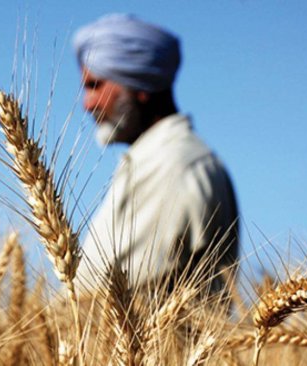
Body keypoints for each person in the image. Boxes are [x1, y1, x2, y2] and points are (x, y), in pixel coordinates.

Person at [73, 14, 239, 295]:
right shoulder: (158, 158)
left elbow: (108, 293)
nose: (87, 104)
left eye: (95, 85)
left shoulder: (172, 165)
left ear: (140, 86)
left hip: (153, 340)